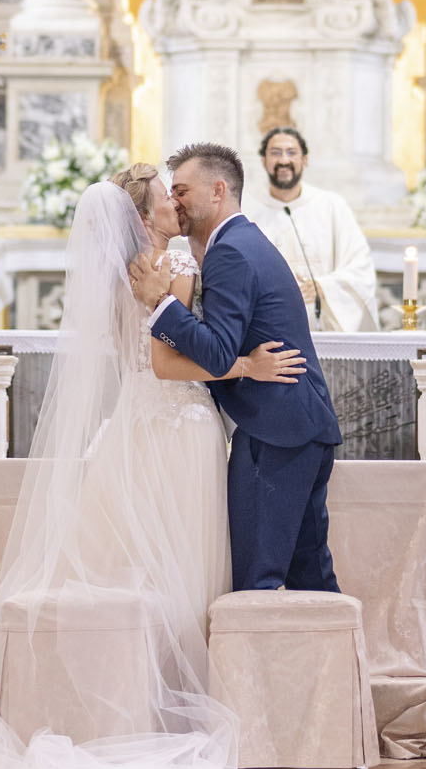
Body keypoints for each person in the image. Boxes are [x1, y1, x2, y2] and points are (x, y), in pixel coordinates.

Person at [0, 172, 301, 769]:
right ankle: (171, 711)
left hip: (131, 430)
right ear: (142, 215)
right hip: (178, 429)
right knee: (182, 573)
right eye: (168, 195)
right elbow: (167, 363)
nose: (177, 202)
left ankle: (121, 706)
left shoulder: (118, 272)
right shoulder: (170, 264)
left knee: (131, 566)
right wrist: (244, 363)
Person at [134, 142, 344, 595]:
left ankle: (261, 667)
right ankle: (336, 665)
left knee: (257, 580)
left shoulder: (228, 252)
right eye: (170, 193)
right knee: (311, 577)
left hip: (275, 432)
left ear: (219, 190)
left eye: (183, 191)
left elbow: (215, 351)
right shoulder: (241, 241)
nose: (175, 201)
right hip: (294, 427)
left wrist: (161, 303)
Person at [243, 126, 378, 332]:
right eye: (275, 153)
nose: (284, 160)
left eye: (291, 152)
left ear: (305, 160)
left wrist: (322, 288)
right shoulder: (247, 210)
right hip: (264, 330)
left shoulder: (331, 206)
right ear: (263, 161)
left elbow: (361, 267)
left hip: (321, 328)